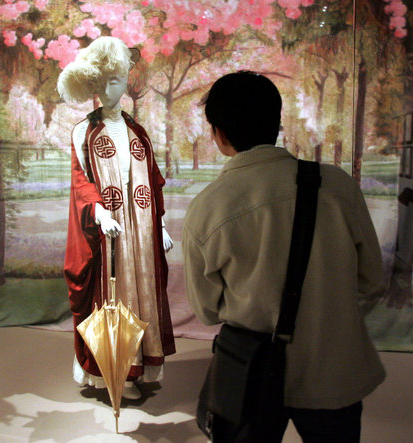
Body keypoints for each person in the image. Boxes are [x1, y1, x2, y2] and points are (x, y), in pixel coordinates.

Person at [182, 71, 386, 442]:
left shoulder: (207, 208)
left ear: (219, 135)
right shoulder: (337, 186)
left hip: (250, 376)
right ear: (277, 123)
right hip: (334, 370)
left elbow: (207, 310)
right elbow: (372, 282)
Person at [58, 36, 176, 400]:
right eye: (102, 82)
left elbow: (152, 181)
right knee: (114, 295)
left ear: (126, 82)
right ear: (92, 84)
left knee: (141, 293)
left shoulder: (138, 132)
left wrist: (158, 223)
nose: (108, 90)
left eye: (116, 81)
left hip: (139, 230)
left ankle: (139, 363)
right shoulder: (84, 131)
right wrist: (98, 210)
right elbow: (81, 181)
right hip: (107, 232)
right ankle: (117, 371)